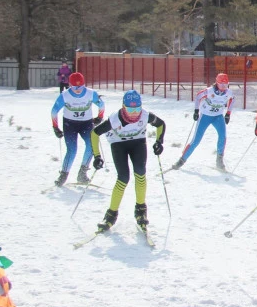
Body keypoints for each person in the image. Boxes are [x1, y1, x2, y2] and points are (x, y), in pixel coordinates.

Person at [90, 90, 166, 232]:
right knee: (123, 178)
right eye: (130, 109)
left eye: (137, 108)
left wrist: (159, 142)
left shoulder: (145, 115)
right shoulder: (114, 119)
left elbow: (161, 124)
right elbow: (95, 133)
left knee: (140, 173)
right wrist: (97, 156)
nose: (134, 112)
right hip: (119, 144)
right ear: (123, 106)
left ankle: (141, 210)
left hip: (138, 143)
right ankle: (111, 215)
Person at [50, 72, 105, 186]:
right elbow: (54, 111)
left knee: (91, 146)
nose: (78, 90)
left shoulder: (91, 93)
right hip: (70, 125)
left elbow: (101, 105)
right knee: (72, 149)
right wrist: (56, 127)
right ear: (70, 85)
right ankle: (63, 175)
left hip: (86, 124)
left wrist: (99, 117)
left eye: (81, 86)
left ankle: (82, 173)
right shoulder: (65, 95)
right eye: (75, 87)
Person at [171, 73, 235, 171]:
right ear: (217, 83)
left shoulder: (228, 92)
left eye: (226, 85)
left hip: (218, 117)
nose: (224, 87)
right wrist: (196, 111)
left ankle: (219, 160)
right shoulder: (209, 91)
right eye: (222, 85)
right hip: (205, 116)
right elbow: (198, 96)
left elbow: (233, 99)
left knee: (223, 136)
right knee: (196, 140)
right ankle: (181, 160)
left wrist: (228, 113)